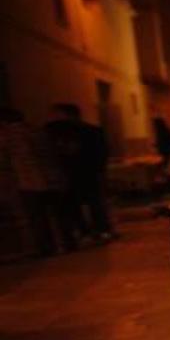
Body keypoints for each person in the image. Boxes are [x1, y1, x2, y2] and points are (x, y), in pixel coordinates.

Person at [0, 107, 76, 256]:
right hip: (53, 179)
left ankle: (46, 248)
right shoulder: (39, 131)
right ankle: (69, 243)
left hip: (28, 182)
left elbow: (4, 161)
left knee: (37, 218)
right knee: (60, 215)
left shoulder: (8, 137)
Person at [45, 103, 114, 242]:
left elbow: (102, 152)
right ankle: (93, 231)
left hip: (84, 173)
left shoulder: (88, 131)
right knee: (81, 204)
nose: (54, 118)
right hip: (76, 174)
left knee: (91, 203)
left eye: (57, 114)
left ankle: (95, 231)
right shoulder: (55, 132)